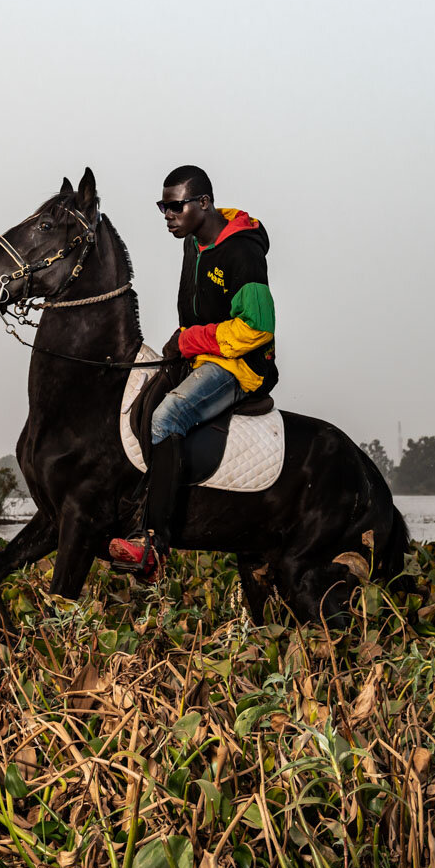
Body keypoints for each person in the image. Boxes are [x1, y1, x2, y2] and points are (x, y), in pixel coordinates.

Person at [108, 165, 276, 579]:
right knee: (138, 397)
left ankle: (155, 544)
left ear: (203, 203)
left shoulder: (242, 252)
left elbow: (258, 327)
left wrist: (191, 341)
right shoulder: (193, 245)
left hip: (240, 367)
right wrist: (182, 342)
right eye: (162, 207)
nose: (168, 214)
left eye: (175, 206)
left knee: (168, 416)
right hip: (201, 356)